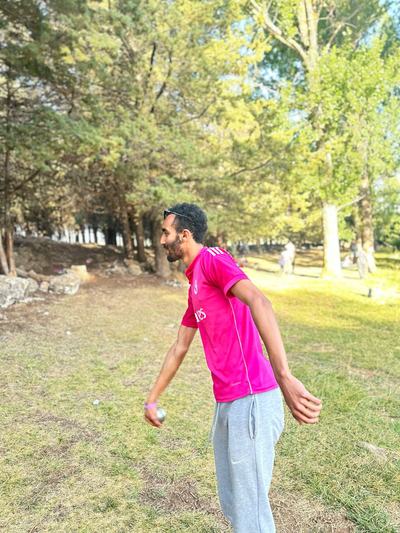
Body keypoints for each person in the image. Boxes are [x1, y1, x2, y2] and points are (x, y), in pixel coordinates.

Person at [144, 203, 322, 533]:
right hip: (228, 402)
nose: (161, 240)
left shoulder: (212, 259)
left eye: (165, 233)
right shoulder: (195, 281)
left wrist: (284, 375)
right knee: (233, 501)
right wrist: (151, 399)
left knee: (250, 512)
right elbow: (179, 347)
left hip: (252, 398)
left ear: (184, 235)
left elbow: (259, 300)